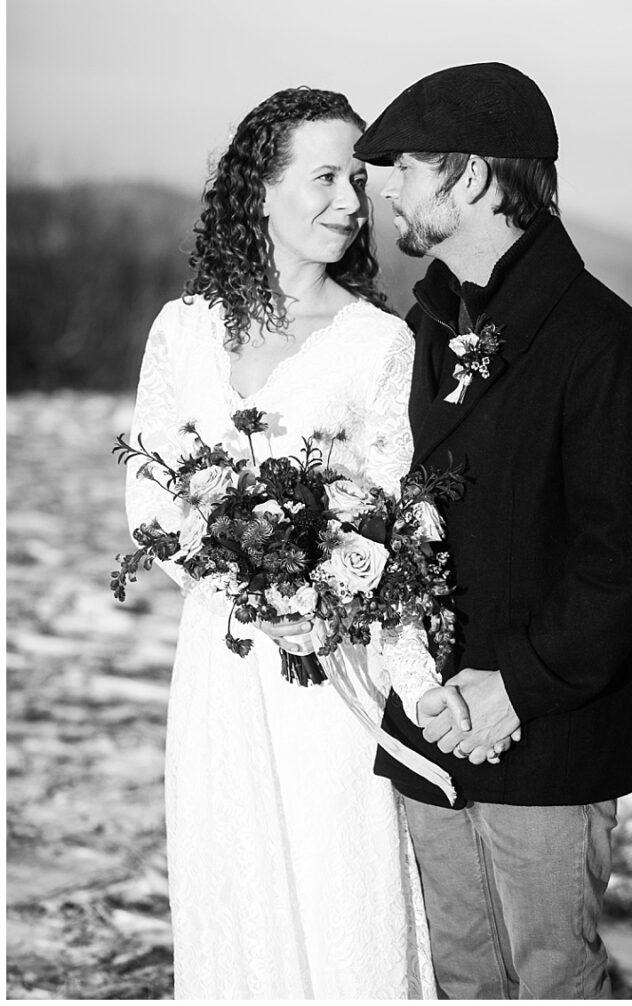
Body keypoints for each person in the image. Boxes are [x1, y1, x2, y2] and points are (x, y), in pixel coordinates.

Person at [125, 86, 474, 998]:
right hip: (223, 665)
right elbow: (151, 495)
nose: (351, 202)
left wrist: (396, 668)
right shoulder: (183, 330)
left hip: (330, 672)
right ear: (262, 190)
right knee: (232, 890)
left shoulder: (377, 343)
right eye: (324, 177)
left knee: (340, 888)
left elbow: (391, 515)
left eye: (356, 180)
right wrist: (240, 587)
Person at [352, 61, 632, 999]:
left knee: (549, 982)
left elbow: (624, 558)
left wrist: (516, 688)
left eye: (409, 167)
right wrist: (418, 676)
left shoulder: (608, 342)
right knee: (459, 978)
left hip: (546, 732)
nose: (390, 189)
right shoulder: (411, 337)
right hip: (425, 721)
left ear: (474, 177)